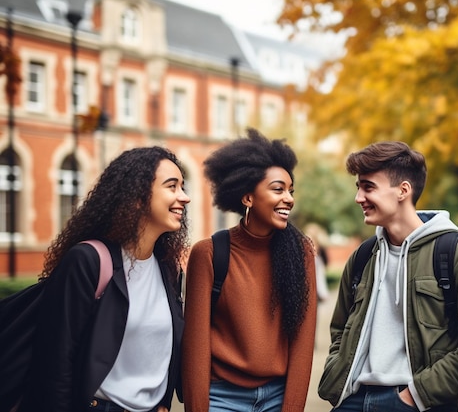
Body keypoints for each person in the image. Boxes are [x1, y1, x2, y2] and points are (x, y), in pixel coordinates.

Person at [18, 147, 190, 412]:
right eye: (172, 186)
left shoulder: (168, 267)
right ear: (137, 198)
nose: (185, 197)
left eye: (183, 186)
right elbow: (54, 364)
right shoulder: (88, 261)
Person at [318, 141, 458, 412]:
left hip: (417, 402)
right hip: (354, 399)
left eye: (368, 187)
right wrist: (340, 373)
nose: (359, 197)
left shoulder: (455, 253)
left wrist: (414, 395)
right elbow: (340, 328)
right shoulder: (363, 256)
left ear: (403, 190)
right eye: (358, 187)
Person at [181, 128, 317, 412]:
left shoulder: (301, 253)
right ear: (247, 198)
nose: (289, 199)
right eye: (278, 189)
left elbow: (303, 346)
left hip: (277, 398)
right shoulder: (209, 253)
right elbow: (195, 347)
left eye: (291, 191)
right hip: (221, 399)